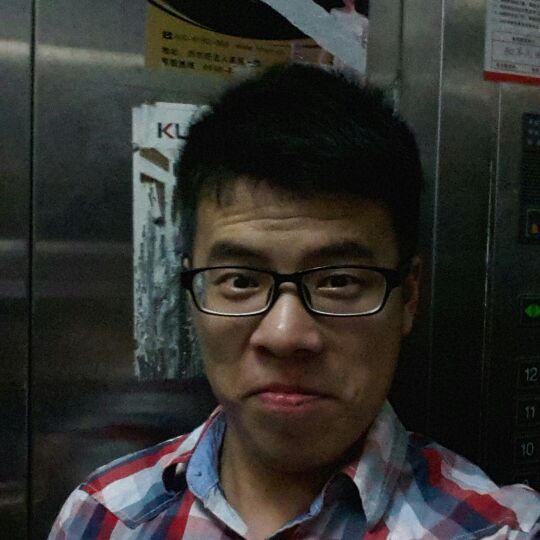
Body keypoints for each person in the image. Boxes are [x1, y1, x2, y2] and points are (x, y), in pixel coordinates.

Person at [49, 64, 540, 539]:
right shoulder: (104, 519)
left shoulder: (498, 532)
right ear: (192, 291)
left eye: (339, 281)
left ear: (408, 297)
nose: (284, 335)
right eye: (241, 280)